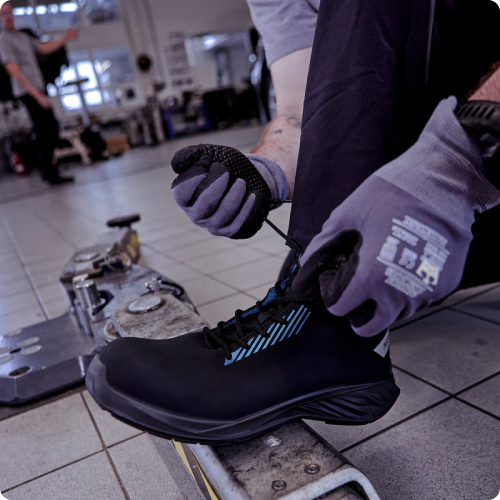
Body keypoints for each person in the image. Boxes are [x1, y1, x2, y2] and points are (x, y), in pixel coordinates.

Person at [85, 0, 500, 444]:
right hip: (441, 241)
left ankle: (325, 328)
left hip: (479, 187)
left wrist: (454, 168)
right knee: (326, 280)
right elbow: (306, 112)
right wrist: (268, 167)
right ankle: (331, 331)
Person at [0, 1, 77, 185]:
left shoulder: (22, 36)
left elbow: (43, 48)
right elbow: (14, 71)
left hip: (38, 89)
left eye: (9, 12)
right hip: (28, 92)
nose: (7, 16)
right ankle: (49, 171)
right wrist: (37, 95)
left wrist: (65, 38)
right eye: (3, 14)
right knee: (44, 130)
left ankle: (50, 169)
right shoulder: (4, 40)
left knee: (51, 128)